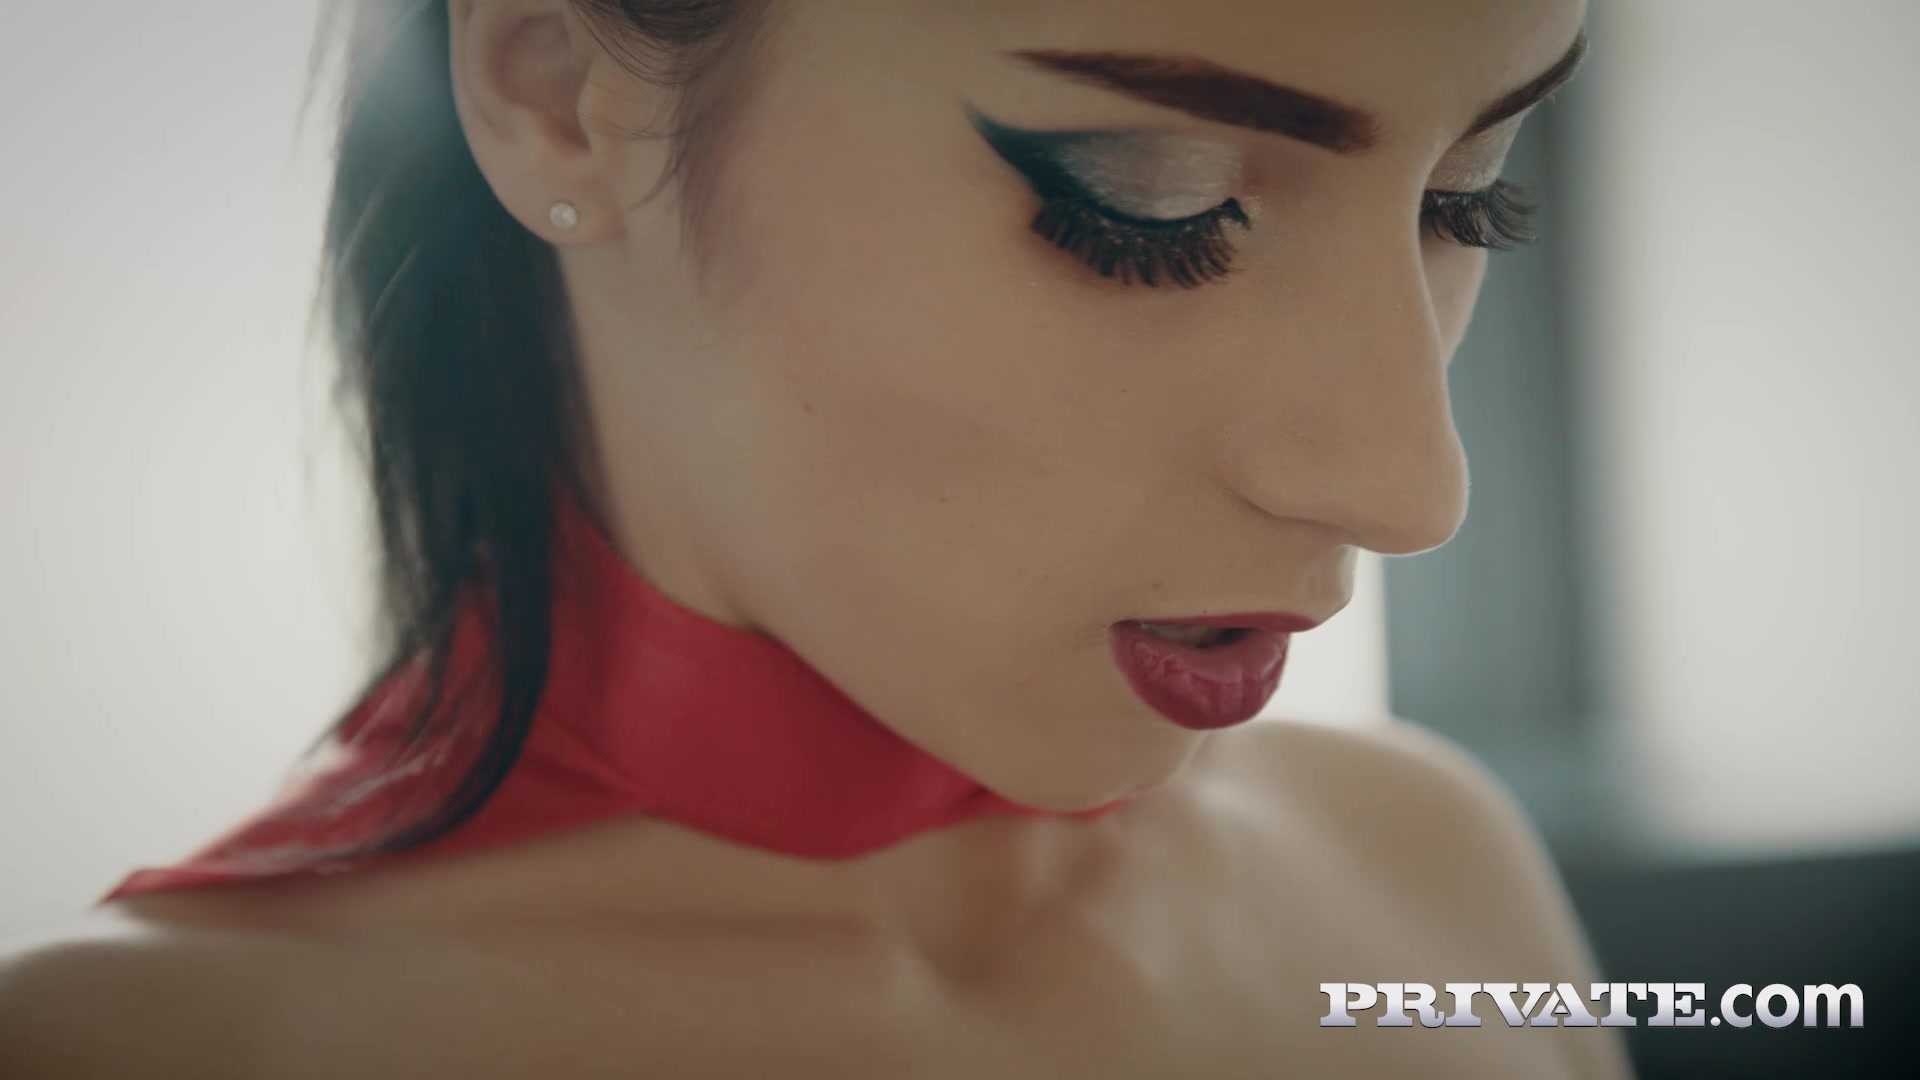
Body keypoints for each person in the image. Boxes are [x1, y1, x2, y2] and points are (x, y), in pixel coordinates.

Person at [1, 0, 1633, 1075]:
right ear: (558, 99)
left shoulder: (1430, 879)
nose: (1410, 489)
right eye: (1157, 201)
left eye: (1468, 200)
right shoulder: (138, 1051)